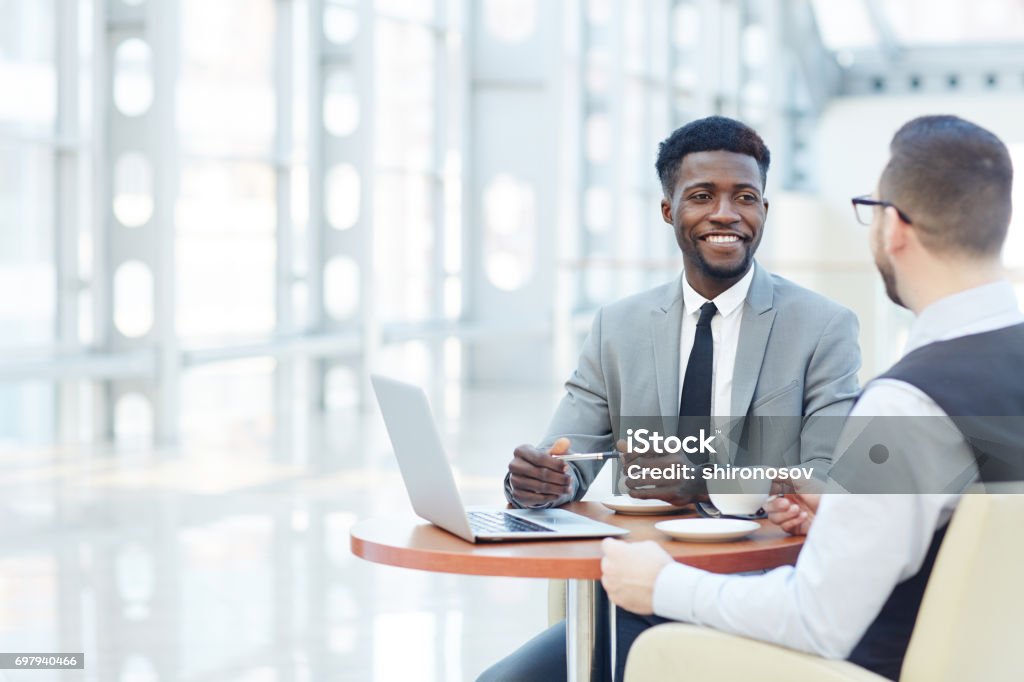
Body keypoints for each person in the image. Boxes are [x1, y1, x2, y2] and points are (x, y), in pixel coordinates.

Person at [600, 114, 1024, 681]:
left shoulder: (909, 402)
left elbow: (816, 619)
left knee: (624, 628)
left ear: (893, 227)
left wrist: (660, 580)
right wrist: (844, 511)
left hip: (867, 666)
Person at [479, 116, 862, 681]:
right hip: (637, 593)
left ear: (763, 211)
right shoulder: (619, 326)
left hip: (761, 595)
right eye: (702, 196)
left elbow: (828, 475)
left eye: (745, 197)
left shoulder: (823, 326)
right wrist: (540, 480)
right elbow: (568, 453)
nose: (726, 214)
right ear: (668, 210)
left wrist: (705, 482)